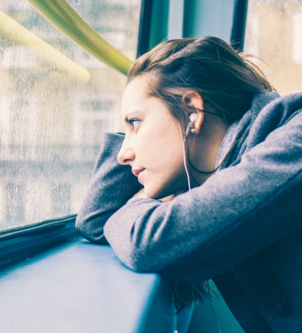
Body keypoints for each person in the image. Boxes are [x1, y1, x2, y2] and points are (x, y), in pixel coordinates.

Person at [75, 36, 302, 332]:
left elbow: (150, 244)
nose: (122, 155)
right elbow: (96, 219)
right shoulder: (215, 173)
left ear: (192, 112)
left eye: (135, 123)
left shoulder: (293, 139)